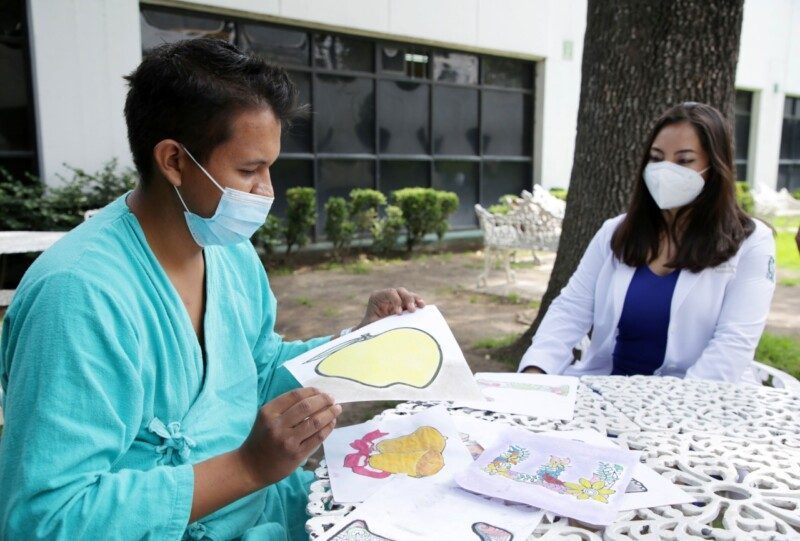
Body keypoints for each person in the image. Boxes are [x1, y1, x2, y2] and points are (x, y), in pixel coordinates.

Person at [0, 38, 424, 540]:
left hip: (261, 511)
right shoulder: (79, 298)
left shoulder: (225, 248)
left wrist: (360, 343)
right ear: (174, 161)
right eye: (248, 170)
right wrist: (247, 467)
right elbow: (46, 520)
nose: (266, 191)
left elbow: (254, 371)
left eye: (270, 168)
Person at [519, 102, 775, 383]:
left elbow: (733, 344)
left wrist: (664, 413)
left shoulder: (752, 243)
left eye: (684, 160)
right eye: (656, 158)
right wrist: (536, 371)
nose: (665, 170)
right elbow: (570, 309)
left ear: (715, 167)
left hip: (696, 409)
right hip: (605, 397)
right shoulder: (615, 232)